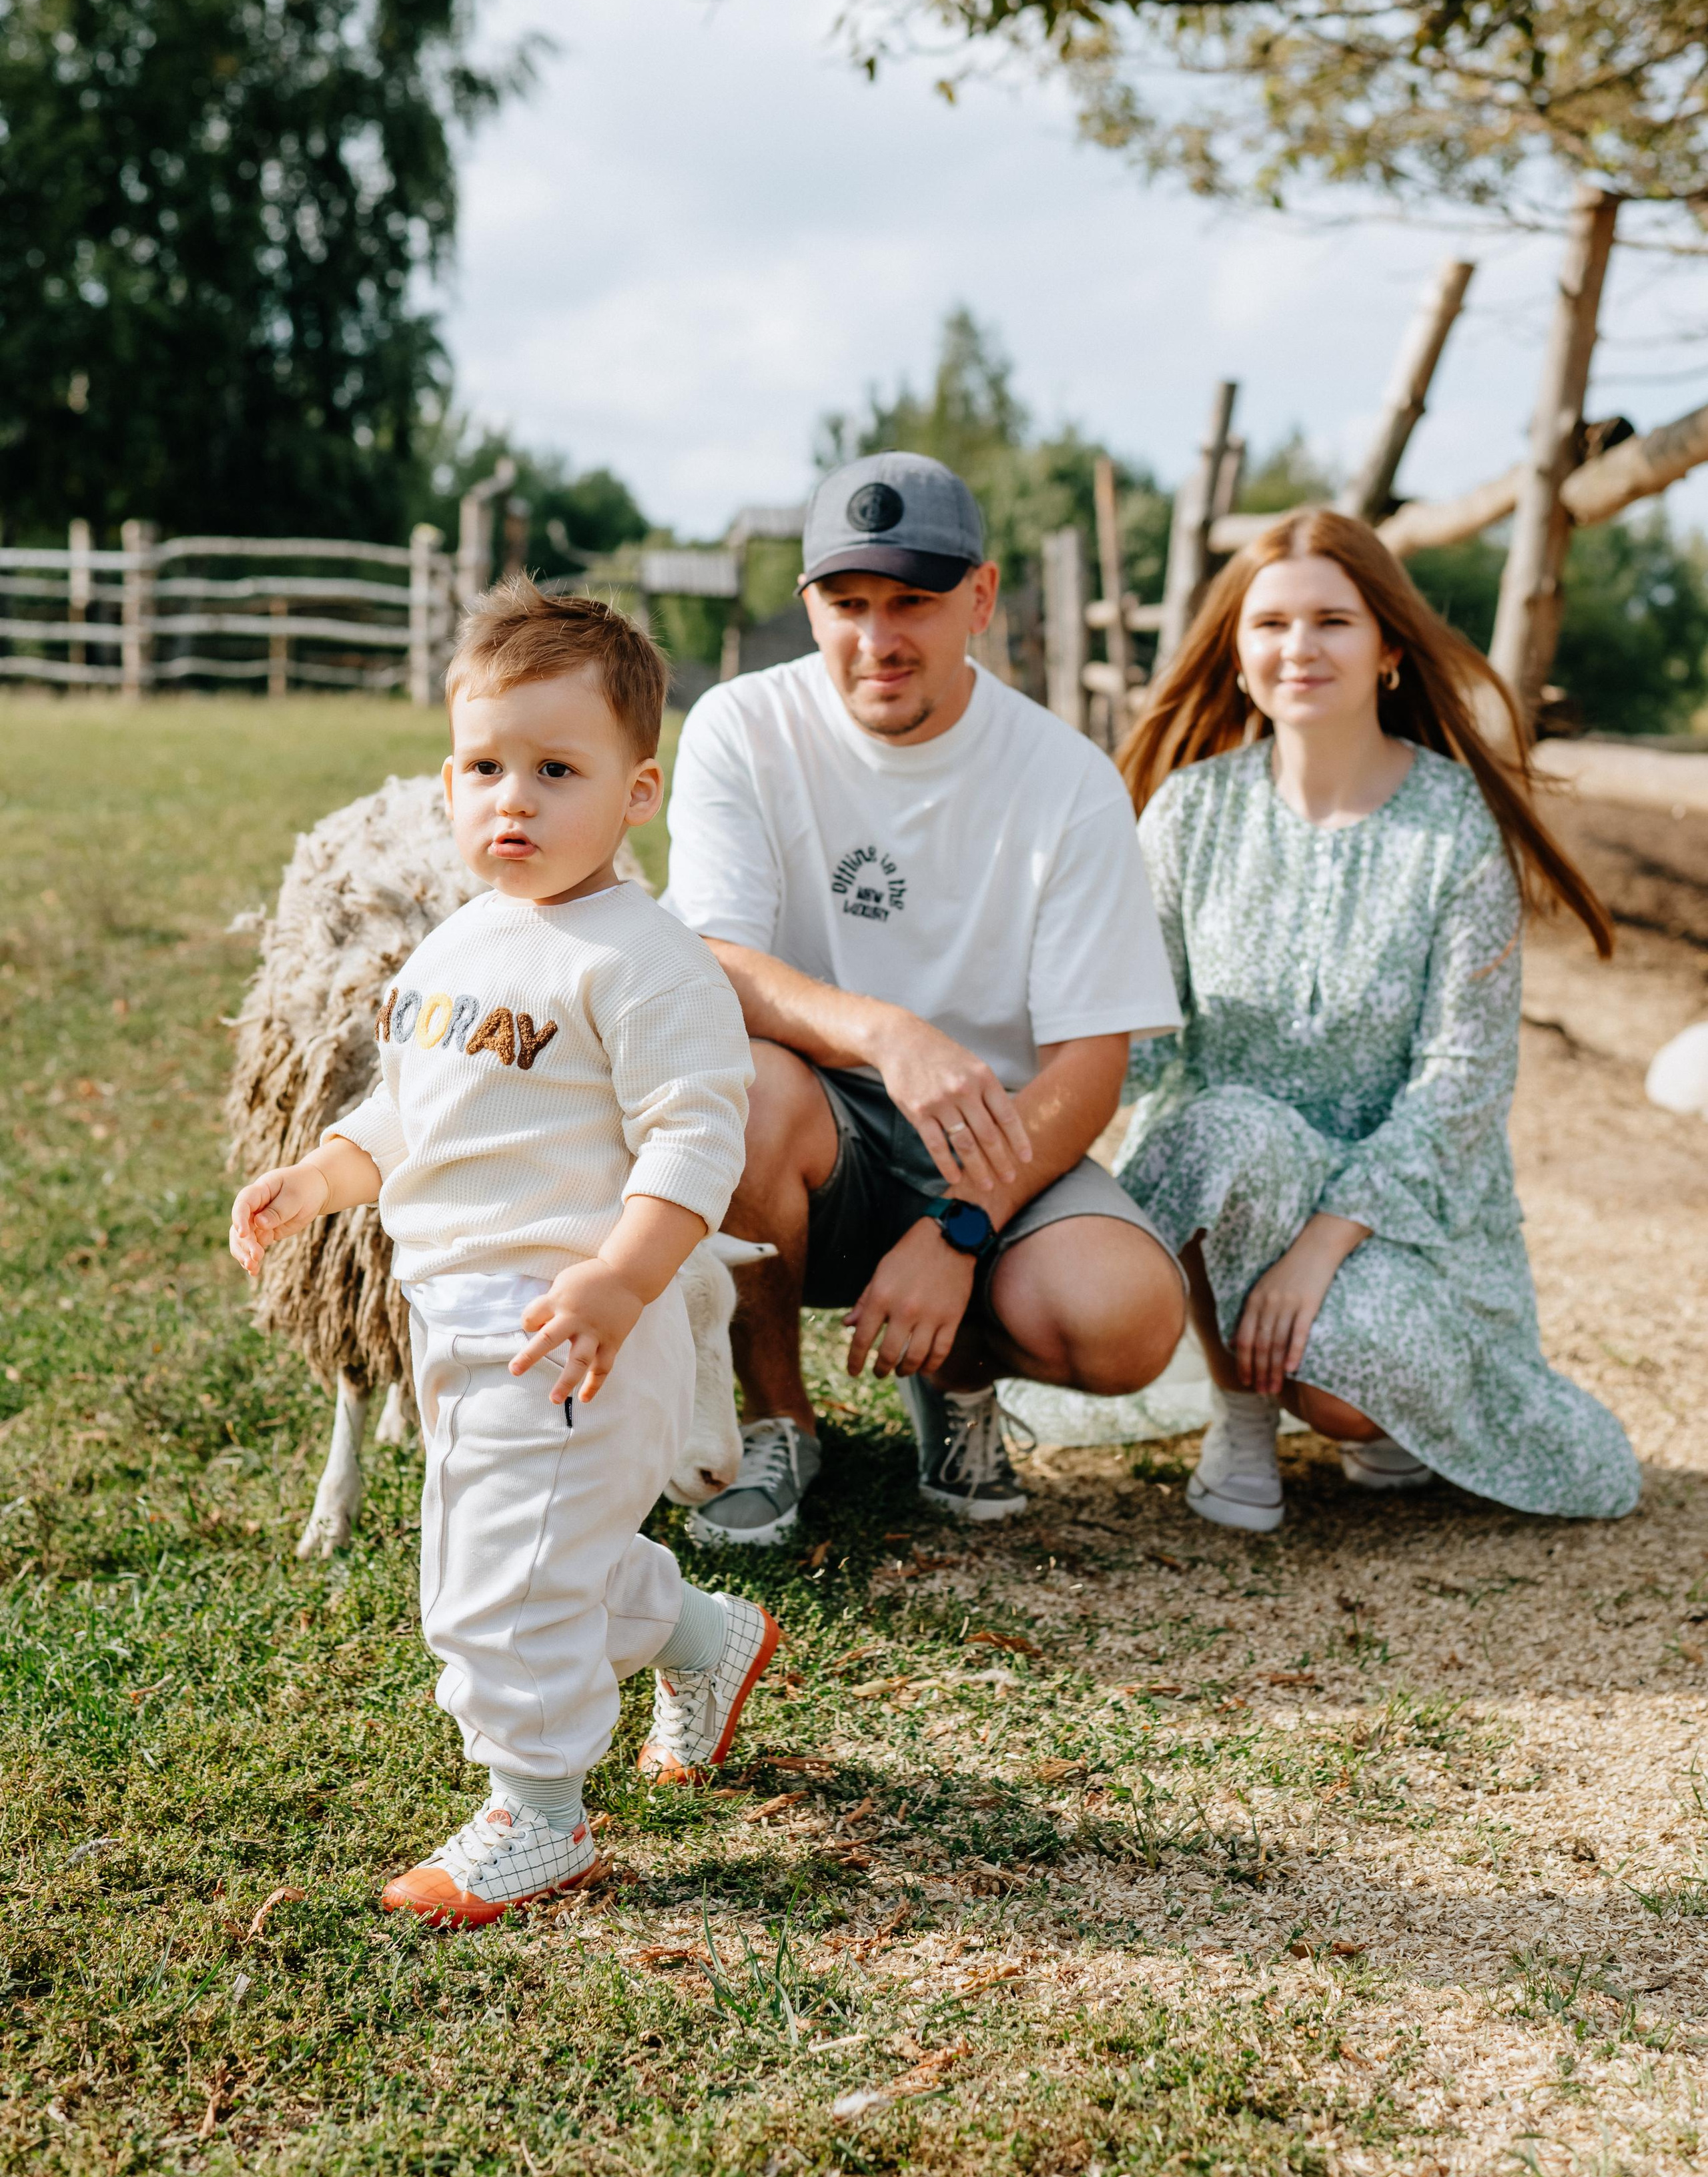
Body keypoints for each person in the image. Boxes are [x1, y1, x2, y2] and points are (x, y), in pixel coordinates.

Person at [229, 584, 777, 1927]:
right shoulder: (464, 942)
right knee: (539, 1557)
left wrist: (619, 1278)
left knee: (497, 1589)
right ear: (447, 778)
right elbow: (412, 1110)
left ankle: (537, 1815)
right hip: (452, 1316)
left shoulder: (641, 962)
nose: (512, 802)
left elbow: (694, 1142)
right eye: (485, 768)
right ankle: (709, 1642)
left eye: (555, 770)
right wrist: (325, 1171)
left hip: (576, 1322)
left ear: (636, 790)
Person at [661, 450, 1187, 1545]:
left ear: (981, 599)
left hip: (995, 1136)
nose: (878, 638)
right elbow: (713, 956)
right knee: (742, 1084)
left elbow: (1093, 1064)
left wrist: (961, 1226)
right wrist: (885, 1033)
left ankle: (950, 1375)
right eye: (847, 603)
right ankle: (780, 1423)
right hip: (819, 1119)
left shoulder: (1070, 779)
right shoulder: (740, 727)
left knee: (1129, 1316)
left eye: (915, 601)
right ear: (808, 604)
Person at [1114, 507, 1641, 1533]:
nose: (1297, 648)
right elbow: (1135, 1040)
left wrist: (1319, 1247)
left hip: (1398, 1209)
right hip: (1226, 1176)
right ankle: (1242, 1414)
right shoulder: (1188, 812)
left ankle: (1363, 1402)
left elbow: (1461, 1084)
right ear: (1236, 649)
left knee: (1348, 1391)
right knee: (1224, 1124)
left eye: (1332, 621)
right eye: (1269, 624)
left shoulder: (1455, 830)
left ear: (1390, 646)